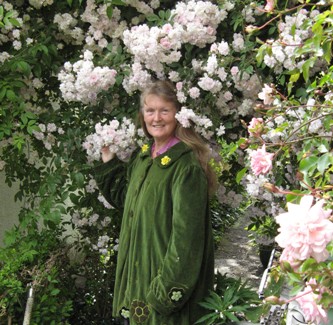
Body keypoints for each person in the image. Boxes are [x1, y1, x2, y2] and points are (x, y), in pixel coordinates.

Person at [94, 80, 217, 324]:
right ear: (143, 115)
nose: (156, 118)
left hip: (162, 300)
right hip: (134, 288)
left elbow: (187, 242)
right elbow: (126, 199)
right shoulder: (143, 158)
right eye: (150, 110)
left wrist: (162, 295)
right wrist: (108, 160)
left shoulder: (186, 168)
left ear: (178, 116)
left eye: (165, 110)